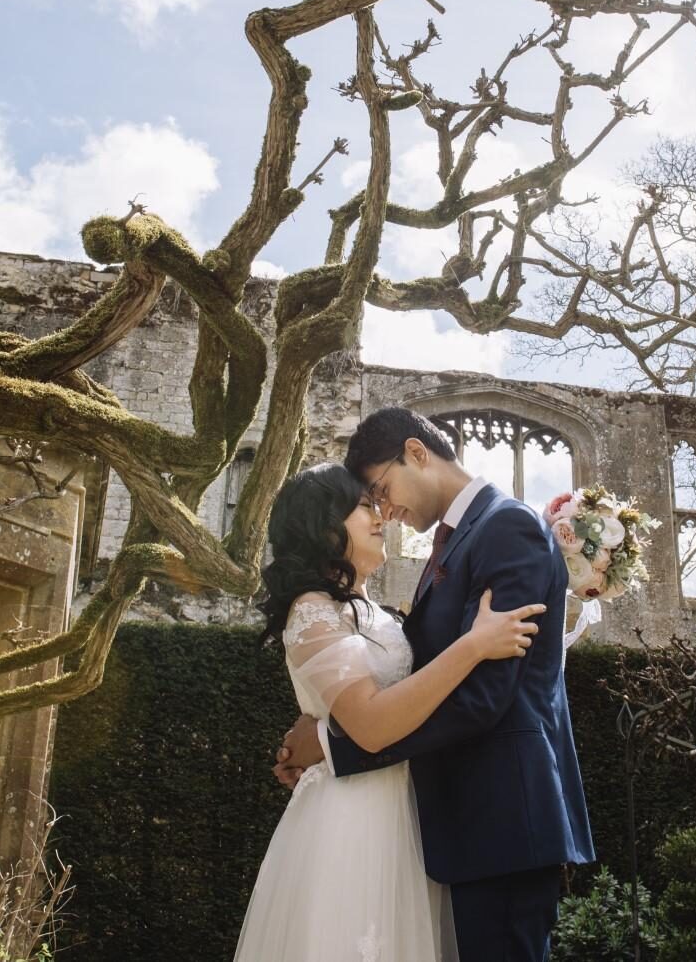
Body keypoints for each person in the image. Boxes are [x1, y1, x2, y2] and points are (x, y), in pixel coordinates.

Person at [274, 408, 595, 961]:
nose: (386, 511)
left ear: (416, 452)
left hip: (502, 822)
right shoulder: (453, 544)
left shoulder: (506, 526)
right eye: (370, 502)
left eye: (381, 489)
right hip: (456, 828)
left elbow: (483, 699)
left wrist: (334, 746)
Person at [234, 462, 546, 962]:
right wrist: (474, 646)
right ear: (322, 525)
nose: (379, 515)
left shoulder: (377, 613)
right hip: (353, 820)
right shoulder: (313, 609)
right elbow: (374, 725)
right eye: (362, 506)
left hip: (409, 814)